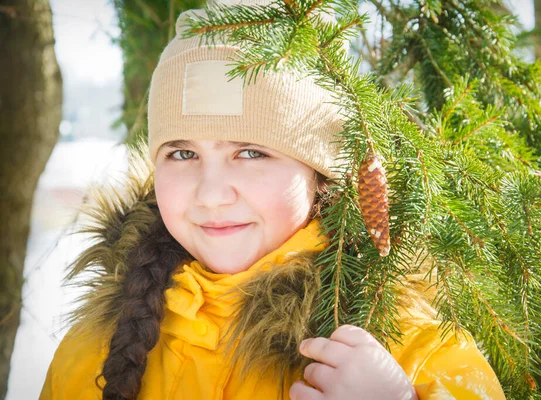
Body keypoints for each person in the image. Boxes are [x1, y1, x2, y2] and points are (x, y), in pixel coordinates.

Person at [40, 1, 506, 399]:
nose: (212, 194)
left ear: (321, 174)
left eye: (251, 152)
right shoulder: (92, 350)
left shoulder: (404, 344)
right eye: (182, 153)